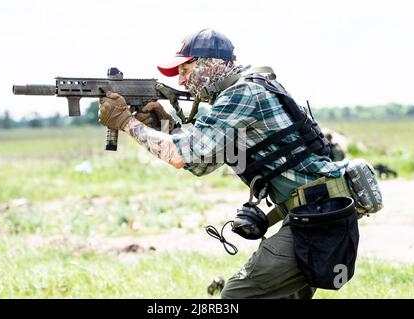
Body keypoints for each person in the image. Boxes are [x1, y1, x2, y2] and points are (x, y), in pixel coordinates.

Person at [97, 29, 351, 299]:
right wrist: (165, 127)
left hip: (318, 213)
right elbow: (202, 163)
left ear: (210, 63)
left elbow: (182, 156)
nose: (181, 80)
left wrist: (126, 122)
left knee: (236, 296)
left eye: (185, 68)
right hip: (319, 211)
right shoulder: (248, 89)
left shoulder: (241, 94)